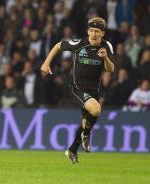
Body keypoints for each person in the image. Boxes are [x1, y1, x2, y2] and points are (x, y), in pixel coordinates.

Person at [41, 17, 114, 164]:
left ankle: (72, 150)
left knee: (86, 120)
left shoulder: (106, 47)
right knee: (96, 110)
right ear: (87, 31)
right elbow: (58, 46)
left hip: (94, 90)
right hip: (77, 88)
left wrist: (105, 58)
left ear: (103, 33)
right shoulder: (79, 43)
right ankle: (86, 135)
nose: (94, 34)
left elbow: (110, 69)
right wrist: (46, 63)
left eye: (97, 31)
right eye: (91, 31)